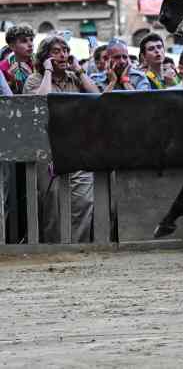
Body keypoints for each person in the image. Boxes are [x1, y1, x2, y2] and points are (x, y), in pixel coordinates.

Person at [24, 35, 99, 242]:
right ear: (45, 56)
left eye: (65, 50)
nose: (63, 55)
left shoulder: (75, 78)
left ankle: (78, 246)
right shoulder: (35, 79)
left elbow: (97, 97)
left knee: (84, 201)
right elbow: (40, 103)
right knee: (53, 203)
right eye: (56, 51)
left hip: (77, 148)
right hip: (47, 150)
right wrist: (47, 71)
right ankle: (54, 250)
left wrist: (79, 70)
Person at [1, 24, 35, 94]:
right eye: (24, 41)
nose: (30, 44)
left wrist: (32, 78)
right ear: (12, 46)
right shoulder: (3, 67)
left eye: (31, 40)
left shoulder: (40, 63)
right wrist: (12, 82)